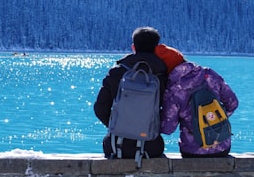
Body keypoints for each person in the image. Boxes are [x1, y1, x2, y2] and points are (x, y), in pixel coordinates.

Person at [93, 27, 169, 159]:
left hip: (115, 146)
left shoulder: (116, 73)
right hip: (151, 147)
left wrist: (119, 126)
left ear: (133, 47)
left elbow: (100, 108)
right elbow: (170, 114)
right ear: (157, 48)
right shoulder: (163, 76)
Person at [156, 44, 239, 158]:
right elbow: (233, 103)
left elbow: (168, 128)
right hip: (222, 147)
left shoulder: (173, 90)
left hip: (192, 151)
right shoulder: (209, 74)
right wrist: (213, 118)